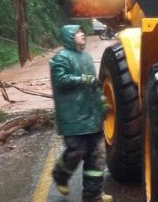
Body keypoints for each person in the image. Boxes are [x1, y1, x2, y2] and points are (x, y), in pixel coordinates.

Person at [49, 25, 112, 202]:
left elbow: (95, 85)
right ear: (69, 36)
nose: (82, 34)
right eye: (78, 32)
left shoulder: (86, 57)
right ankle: (60, 175)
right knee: (76, 151)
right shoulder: (60, 58)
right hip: (73, 117)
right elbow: (60, 80)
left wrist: (102, 103)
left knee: (96, 158)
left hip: (92, 117)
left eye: (82, 31)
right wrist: (82, 79)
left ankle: (93, 196)